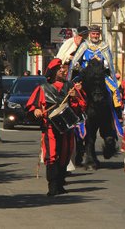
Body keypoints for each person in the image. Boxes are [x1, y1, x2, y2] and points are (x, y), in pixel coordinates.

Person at [26, 58, 86, 196]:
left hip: (67, 127)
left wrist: (76, 95)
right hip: (50, 127)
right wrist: (36, 110)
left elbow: (81, 106)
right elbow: (31, 106)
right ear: (53, 71)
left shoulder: (70, 86)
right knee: (52, 155)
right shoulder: (42, 88)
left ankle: (60, 183)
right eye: (59, 68)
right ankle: (52, 186)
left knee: (65, 154)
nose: (63, 70)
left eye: (63, 68)